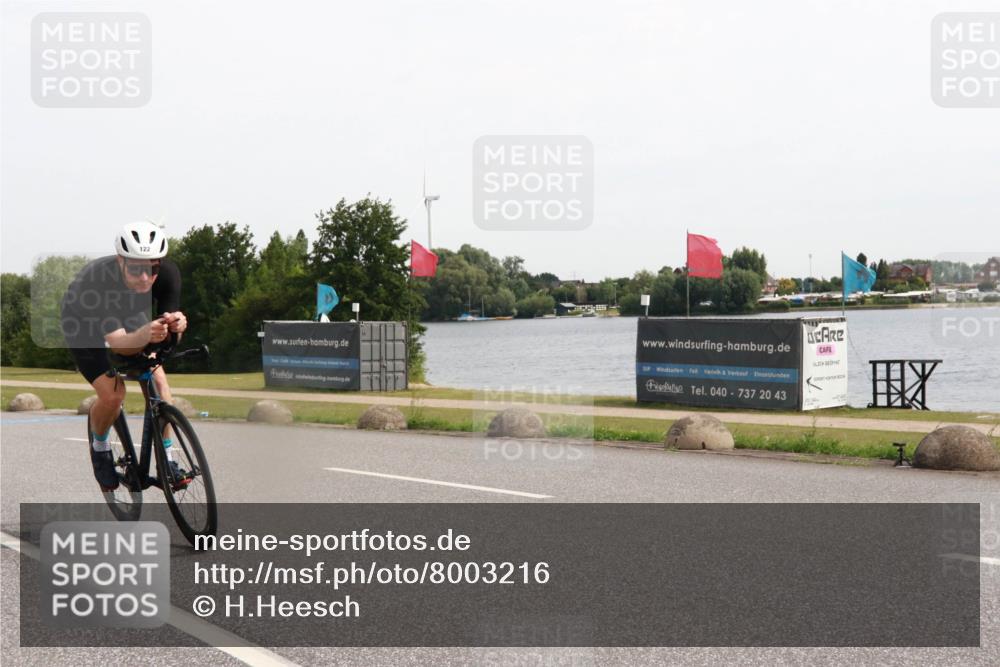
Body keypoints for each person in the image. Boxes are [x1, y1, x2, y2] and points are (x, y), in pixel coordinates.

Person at [60, 221, 188, 491]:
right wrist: (145, 335)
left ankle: (166, 460)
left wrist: (176, 327)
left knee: (160, 385)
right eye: (136, 269)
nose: (145, 277)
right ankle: (100, 447)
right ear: (121, 261)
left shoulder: (167, 274)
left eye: (152, 269)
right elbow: (119, 345)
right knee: (113, 395)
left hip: (130, 317)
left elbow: (166, 330)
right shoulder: (97, 281)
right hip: (84, 325)